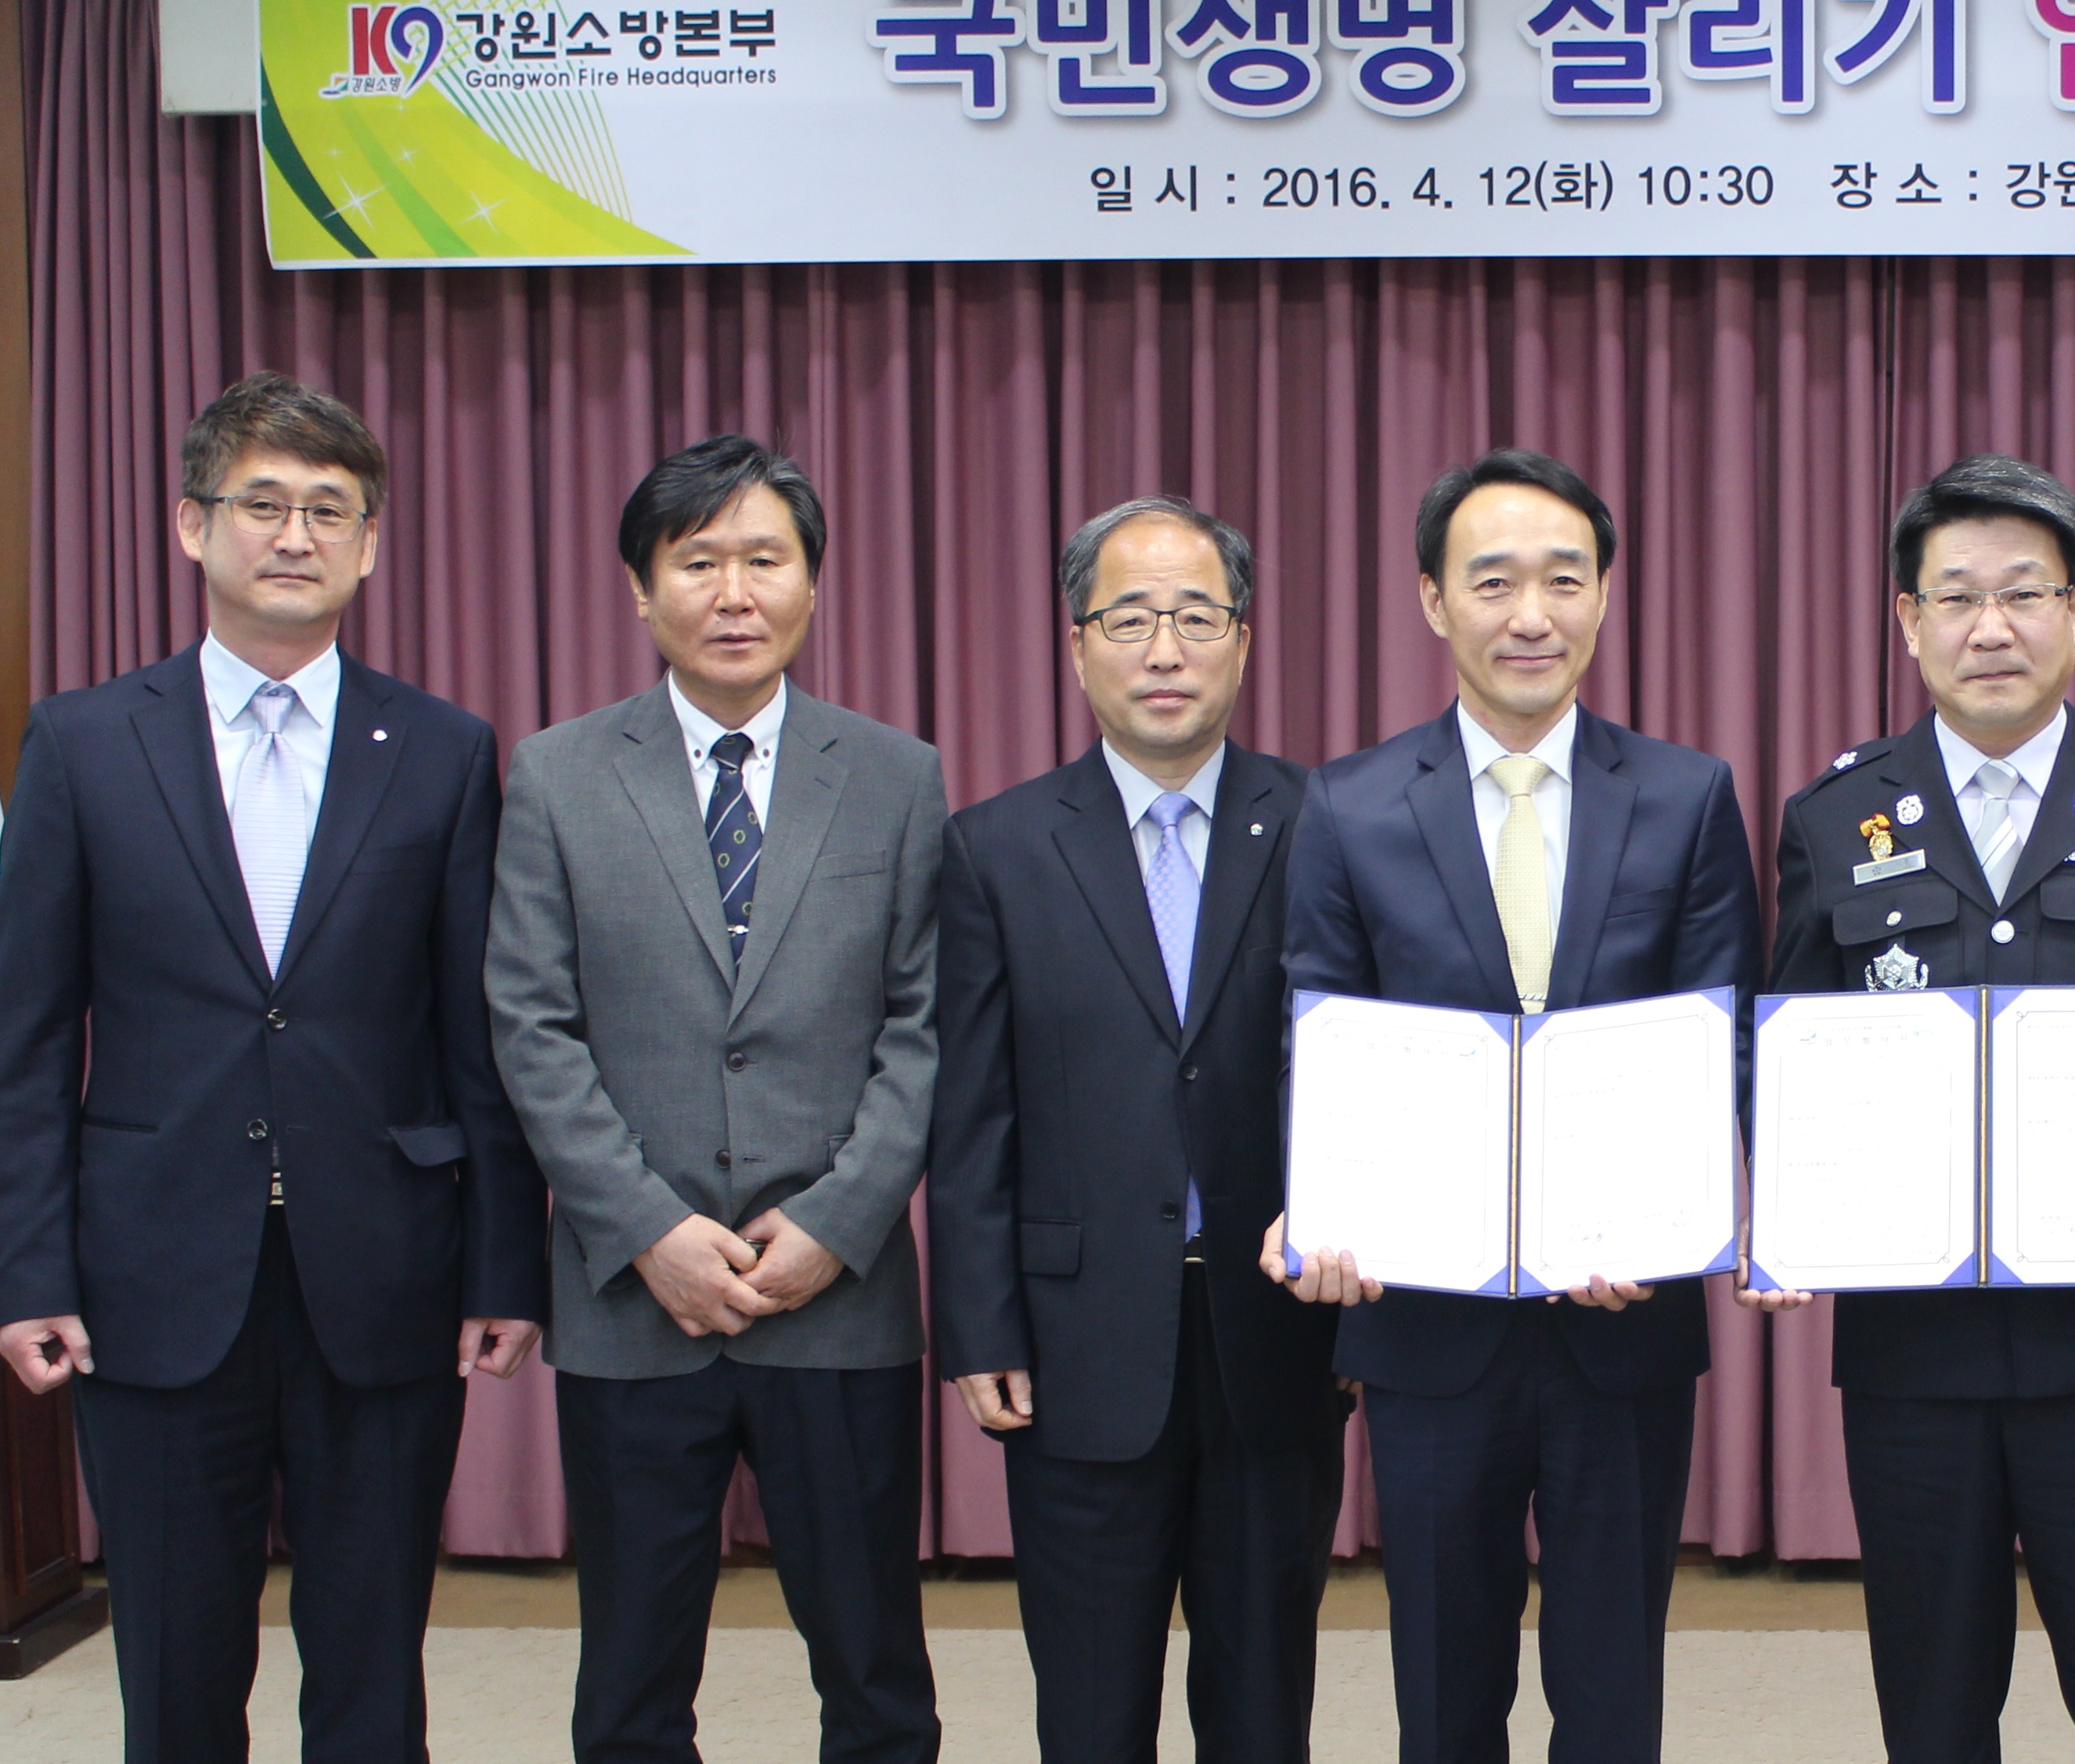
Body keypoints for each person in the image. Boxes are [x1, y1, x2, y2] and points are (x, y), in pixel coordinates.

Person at [0, 372, 548, 1762]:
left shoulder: (442, 750)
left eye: (329, 510)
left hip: (385, 1271)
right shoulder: (84, 742)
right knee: (176, 1668)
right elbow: (27, 1035)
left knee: (373, 1666)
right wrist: (27, 1266)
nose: (295, 535)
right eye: (263, 503)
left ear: (370, 543)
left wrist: (503, 1266)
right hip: (152, 1272)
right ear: (192, 525)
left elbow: (476, 1035)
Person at [1757, 454, 2075, 1764]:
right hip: (1913, 1356)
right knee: (1931, 1710)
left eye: (2024, 592)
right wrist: (1783, 1196)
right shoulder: (1834, 818)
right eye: (1956, 596)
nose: (1990, 627)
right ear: (1907, 619)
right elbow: (1786, 1050)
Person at [1262, 448, 1759, 1764]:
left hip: (1625, 1319)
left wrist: (1677, 1219)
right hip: (1427, 1326)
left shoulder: (1687, 795)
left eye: (1562, 579)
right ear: (1433, 599)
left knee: (1613, 1692)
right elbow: (1318, 1038)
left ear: (1604, 594)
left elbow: (1722, 1038)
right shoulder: (1351, 804)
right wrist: (1317, 1204)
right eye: (1492, 582)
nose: (1529, 614)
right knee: (1443, 1685)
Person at [486, 435, 947, 1764]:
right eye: (698, 562)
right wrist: (647, 1228)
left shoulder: (896, 774)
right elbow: (531, 1021)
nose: (734, 592)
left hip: (838, 1299)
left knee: (874, 1672)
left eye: (764, 559)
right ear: (642, 590)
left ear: (812, 583)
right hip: (636, 1300)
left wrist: (838, 1221)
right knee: (631, 1683)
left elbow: (924, 1025)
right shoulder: (559, 773)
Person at [928, 498, 1346, 1763]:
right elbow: (972, 1110)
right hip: (1077, 1342)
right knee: (1090, 1711)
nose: (1164, 649)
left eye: (1195, 617)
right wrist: (981, 1324)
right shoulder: (995, 847)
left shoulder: (1330, 824)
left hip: (1278, 1328)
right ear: (1076, 645)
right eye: (1129, 619)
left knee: (1262, 1705)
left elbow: (1363, 1070)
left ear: (1243, 640)